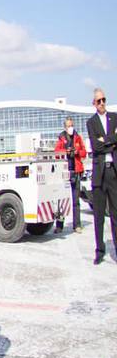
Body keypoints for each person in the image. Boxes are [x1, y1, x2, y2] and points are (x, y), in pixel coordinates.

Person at [86, 88, 117, 264]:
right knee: (98, 215)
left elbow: (101, 144)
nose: (102, 103)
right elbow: (95, 147)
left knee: (115, 214)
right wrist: (112, 140)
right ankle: (99, 250)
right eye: (99, 101)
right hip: (99, 174)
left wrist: (104, 140)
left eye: (104, 99)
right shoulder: (91, 122)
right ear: (94, 104)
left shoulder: (115, 117)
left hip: (113, 172)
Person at [54, 117, 86, 234]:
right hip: (64, 173)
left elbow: (84, 152)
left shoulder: (78, 137)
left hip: (76, 171)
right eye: (68, 126)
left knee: (76, 201)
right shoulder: (61, 138)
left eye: (71, 125)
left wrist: (77, 152)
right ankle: (59, 226)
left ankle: (77, 225)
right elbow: (56, 152)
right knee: (61, 201)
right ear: (65, 127)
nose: (70, 128)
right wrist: (65, 152)